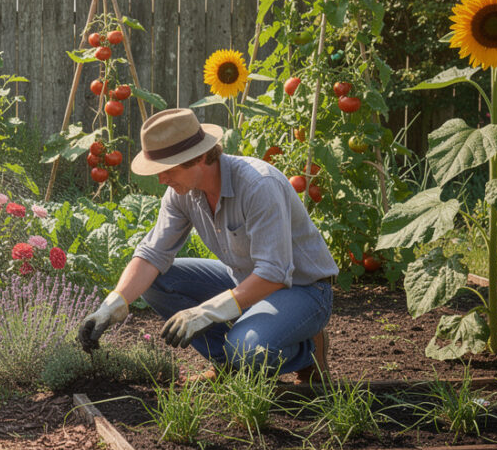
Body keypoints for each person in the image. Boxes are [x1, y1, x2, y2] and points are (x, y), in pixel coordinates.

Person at [77, 108, 338, 383]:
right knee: (157, 281)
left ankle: (309, 349)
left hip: (302, 288)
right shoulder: (182, 193)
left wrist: (206, 312)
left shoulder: (259, 185)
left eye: (167, 169)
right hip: (243, 279)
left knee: (247, 351)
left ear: (199, 158)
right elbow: (152, 253)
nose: (161, 179)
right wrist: (112, 304)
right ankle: (226, 365)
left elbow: (274, 272)